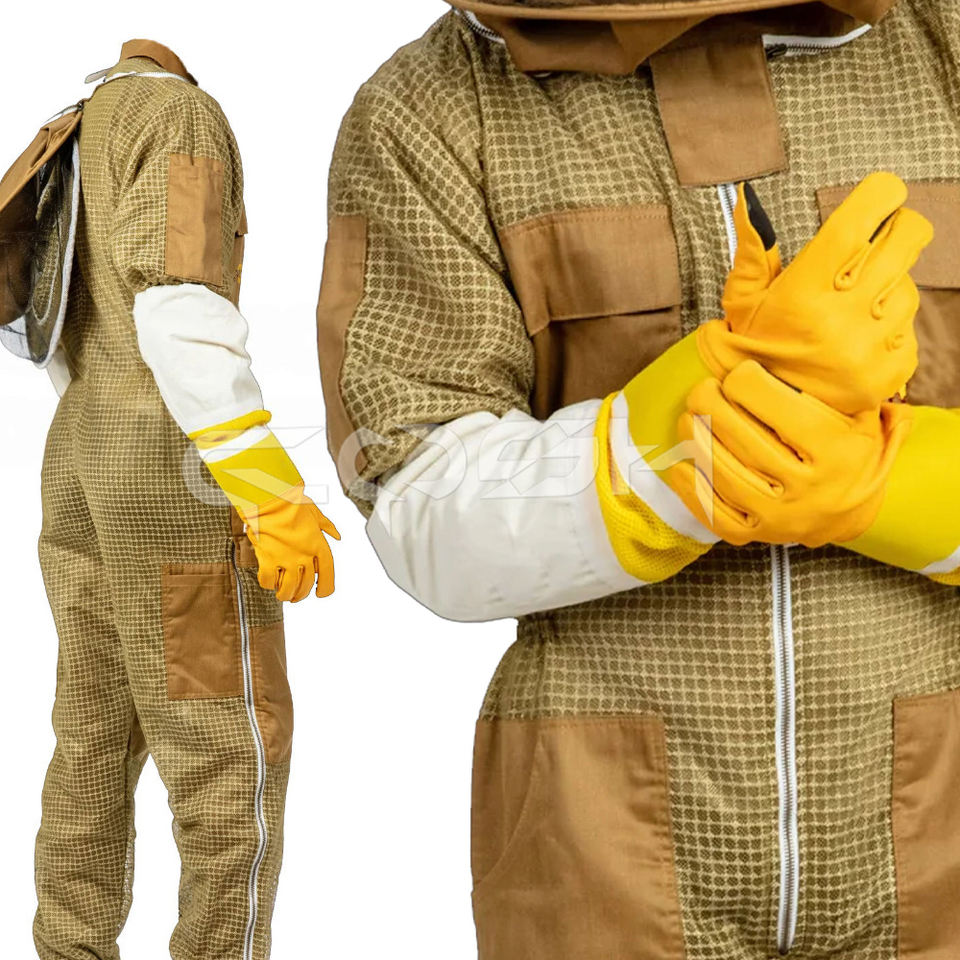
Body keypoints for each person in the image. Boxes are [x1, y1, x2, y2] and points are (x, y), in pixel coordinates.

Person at [316, 1, 960, 957]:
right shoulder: (434, 105)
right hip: (596, 845)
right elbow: (414, 497)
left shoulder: (944, 41)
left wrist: (890, 478)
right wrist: (666, 455)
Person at [0, 39, 338, 960]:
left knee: (91, 741)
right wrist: (264, 484)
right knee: (228, 750)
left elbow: (54, 315)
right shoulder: (178, 114)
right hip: (167, 463)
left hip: (80, 447)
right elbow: (177, 303)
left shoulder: (76, 127)